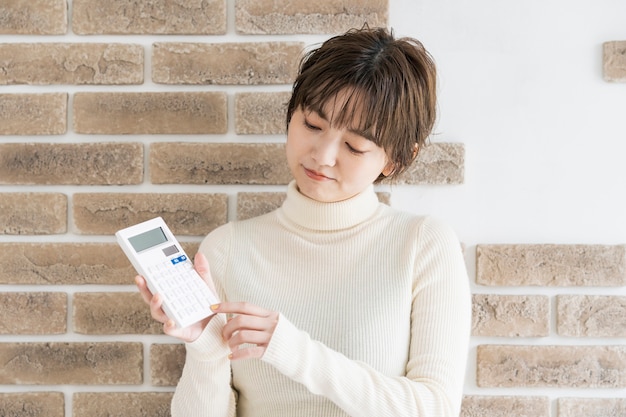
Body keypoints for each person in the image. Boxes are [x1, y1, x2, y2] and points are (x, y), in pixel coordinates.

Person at [136, 26, 471, 417]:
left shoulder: (422, 244)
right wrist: (206, 347)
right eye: (312, 125)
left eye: (355, 145)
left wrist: (293, 350)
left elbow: (434, 408)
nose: (323, 155)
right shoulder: (226, 250)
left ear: (397, 159)